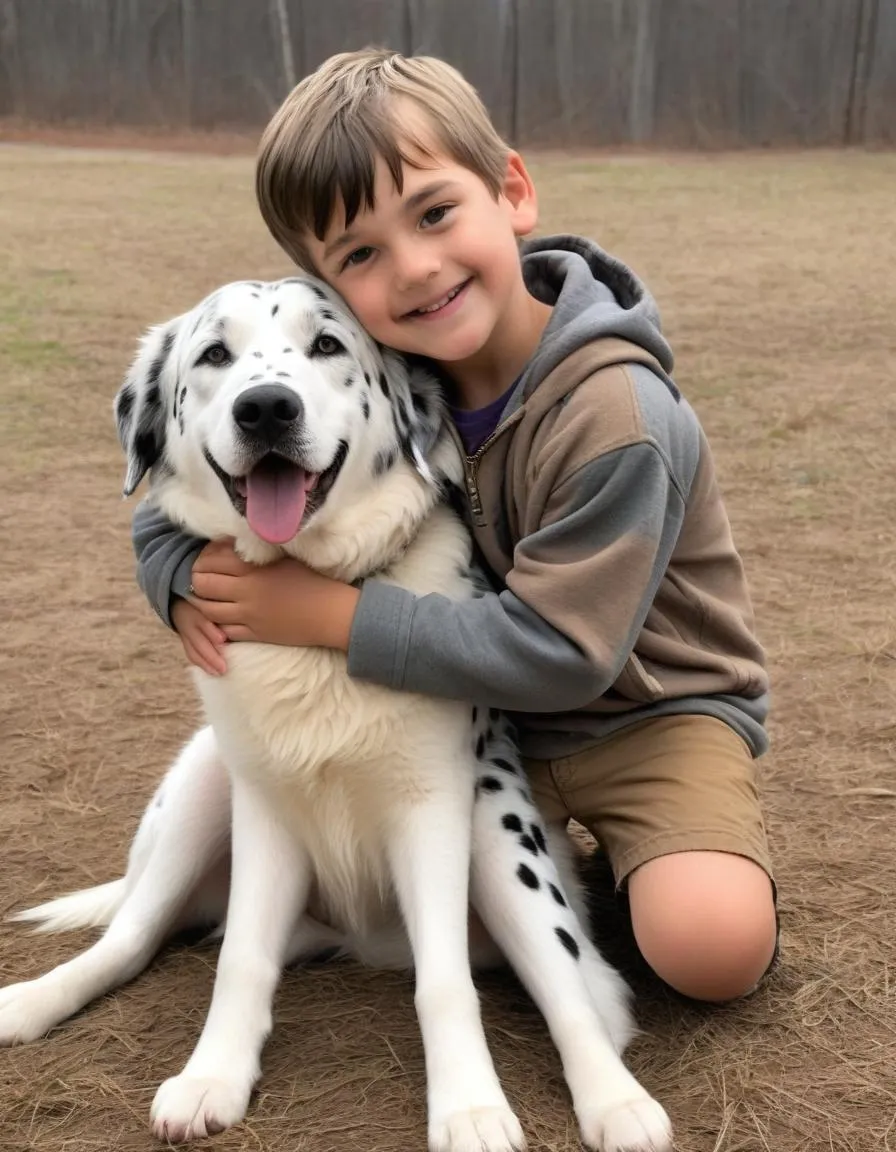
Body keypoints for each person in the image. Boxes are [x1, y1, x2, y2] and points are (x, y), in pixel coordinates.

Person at [132, 48, 778, 1003]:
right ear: (323, 288)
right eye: (360, 254)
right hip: (475, 724)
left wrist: (331, 617)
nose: (416, 267)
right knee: (427, 921)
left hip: (648, 715)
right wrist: (172, 568)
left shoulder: (618, 417)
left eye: (435, 213)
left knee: (710, 953)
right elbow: (193, 470)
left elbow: (563, 652)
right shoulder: (385, 384)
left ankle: (652, 867)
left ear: (512, 189)